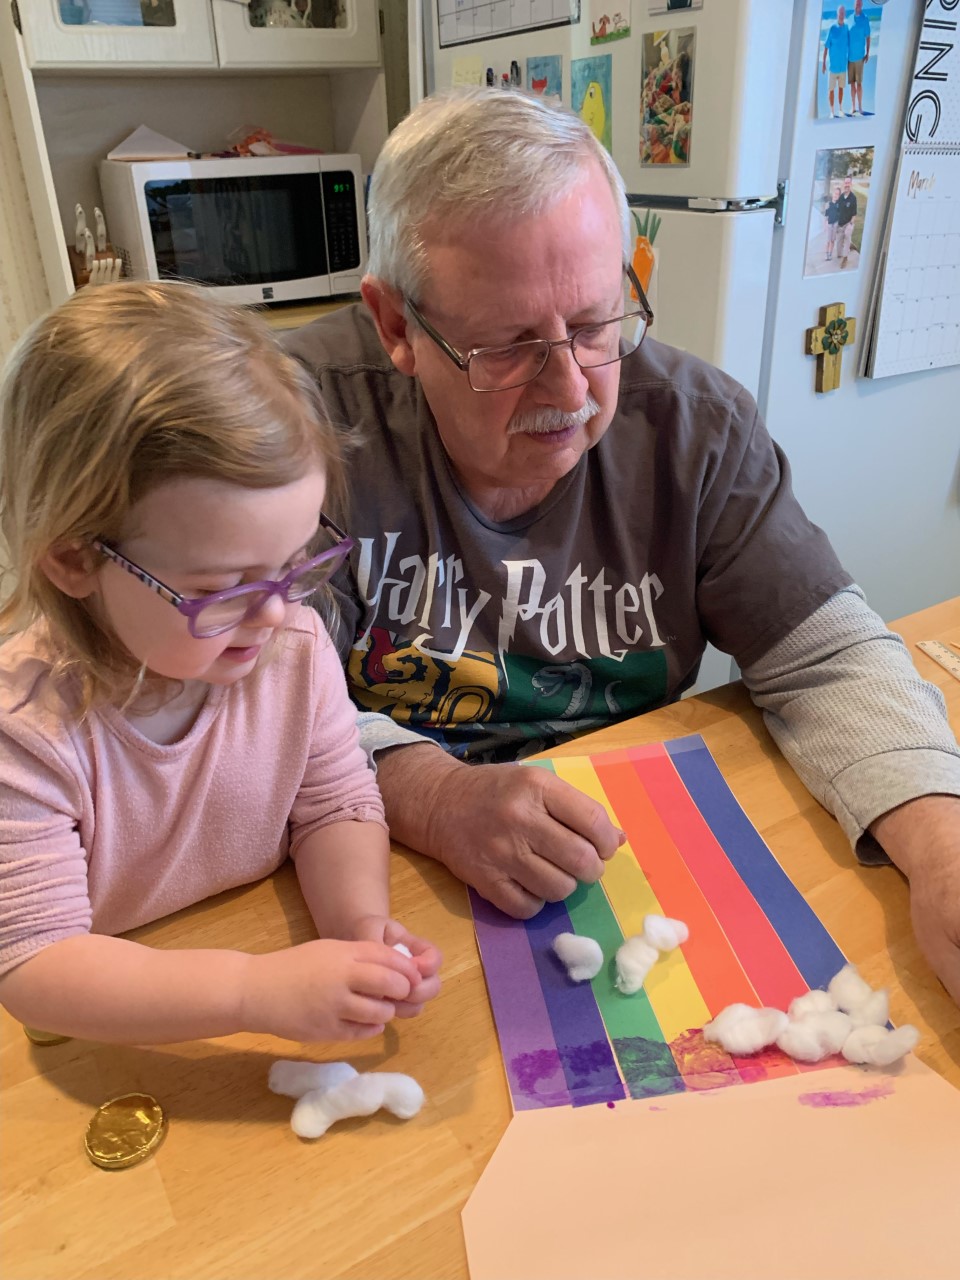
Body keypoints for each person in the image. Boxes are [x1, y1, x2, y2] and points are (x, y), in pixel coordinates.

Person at [284, 88, 960, 1006]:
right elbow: (247, 705)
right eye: (509, 346)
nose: (571, 386)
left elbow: (828, 659)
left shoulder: (695, 424)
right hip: (376, 878)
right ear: (398, 327)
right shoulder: (287, 429)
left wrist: (941, 847)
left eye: (597, 323)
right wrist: (430, 793)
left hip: (630, 879)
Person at [0, 281, 441, 1045]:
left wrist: (359, 926)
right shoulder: (25, 734)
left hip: (238, 935)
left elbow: (335, 805)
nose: (275, 612)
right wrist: (251, 991)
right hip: (96, 1033)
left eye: (294, 563)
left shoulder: (292, 652)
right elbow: (39, 967)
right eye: (219, 589)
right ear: (74, 559)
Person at [822, 6, 850, 119]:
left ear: (844, 14)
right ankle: (832, 112)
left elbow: (850, 44)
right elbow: (826, 46)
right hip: (833, 67)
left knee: (841, 88)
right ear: (837, 14)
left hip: (843, 66)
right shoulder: (832, 28)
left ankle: (841, 109)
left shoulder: (847, 28)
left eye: (843, 12)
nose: (841, 14)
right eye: (840, 13)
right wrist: (823, 63)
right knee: (831, 89)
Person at [846, 0, 872, 117]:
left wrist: (868, 52)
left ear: (862, 5)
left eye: (860, 3)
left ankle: (860, 106)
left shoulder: (865, 18)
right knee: (852, 84)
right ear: (854, 4)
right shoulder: (849, 18)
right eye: (856, 3)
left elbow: (868, 37)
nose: (858, 5)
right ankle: (853, 106)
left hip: (860, 56)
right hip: (849, 57)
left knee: (859, 84)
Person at [835, 173, 858, 268]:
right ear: (844, 184)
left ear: (851, 184)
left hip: (848, 223)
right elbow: (837, 210)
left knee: (847, 234)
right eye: (845, 183)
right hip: (840, 224)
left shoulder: (853, 198)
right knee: (838, 253)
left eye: (848, 183)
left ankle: (845, 258)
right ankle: (850, 246)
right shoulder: (841, 197)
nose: (847, 184)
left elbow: (854, 215)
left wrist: (851, 224)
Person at [823, 181, 841, 261]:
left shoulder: (839, 205)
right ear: (832, 194)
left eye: (838, 194)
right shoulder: (829, 204)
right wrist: (825, 223)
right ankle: (826, 254)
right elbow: (826, 215)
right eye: (835, 193)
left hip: (835, 224)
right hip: (829, 223)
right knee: (828, 240)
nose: (836, 195)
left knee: (833, 240)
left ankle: (830, 253)